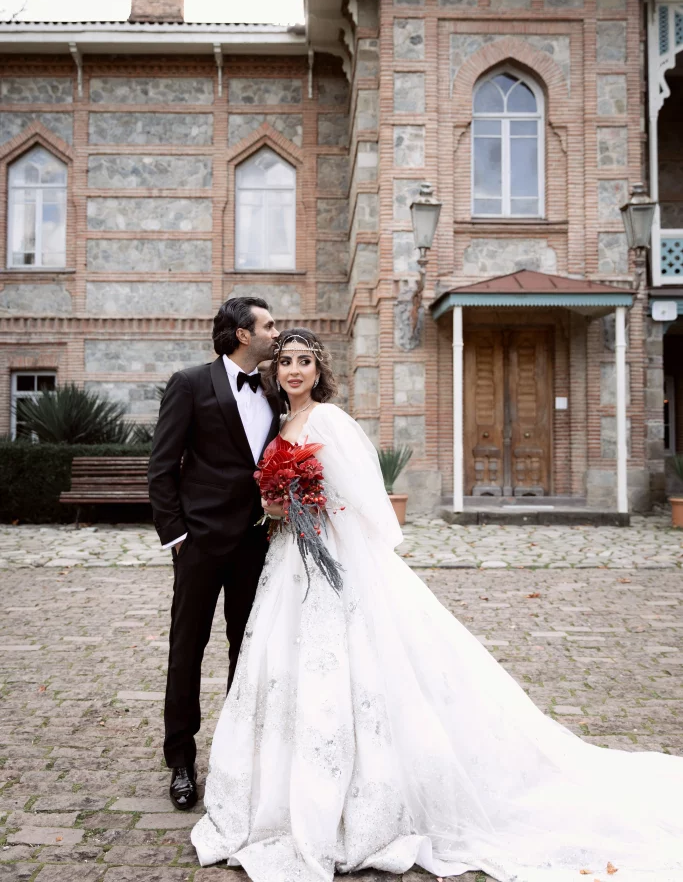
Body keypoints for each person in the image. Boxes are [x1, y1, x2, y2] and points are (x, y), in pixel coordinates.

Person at [191, 328, 683, 882]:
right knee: (290, 672)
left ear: (318, 371)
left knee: (347, 670)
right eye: (286, 363)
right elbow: (277, 498)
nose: (295, 371)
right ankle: (284, 790)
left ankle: (362, 797)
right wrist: (278, 507)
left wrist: (312, 509)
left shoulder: (330, 420)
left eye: (305, 362)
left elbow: (365, 500)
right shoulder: (282, 424)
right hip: (289, 564)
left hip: (331, 560)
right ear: (275, 371)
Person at [148, 296, 280, 811]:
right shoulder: (190, 383)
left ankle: (235, 756)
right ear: (244, 335)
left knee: (245, 653)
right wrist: (177, 537)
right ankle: (181, 760)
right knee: (187, 651)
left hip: (255, 543)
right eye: (269, 325)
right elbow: (162, 466)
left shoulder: (274, 389)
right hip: (200, 544)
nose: (277, 333)